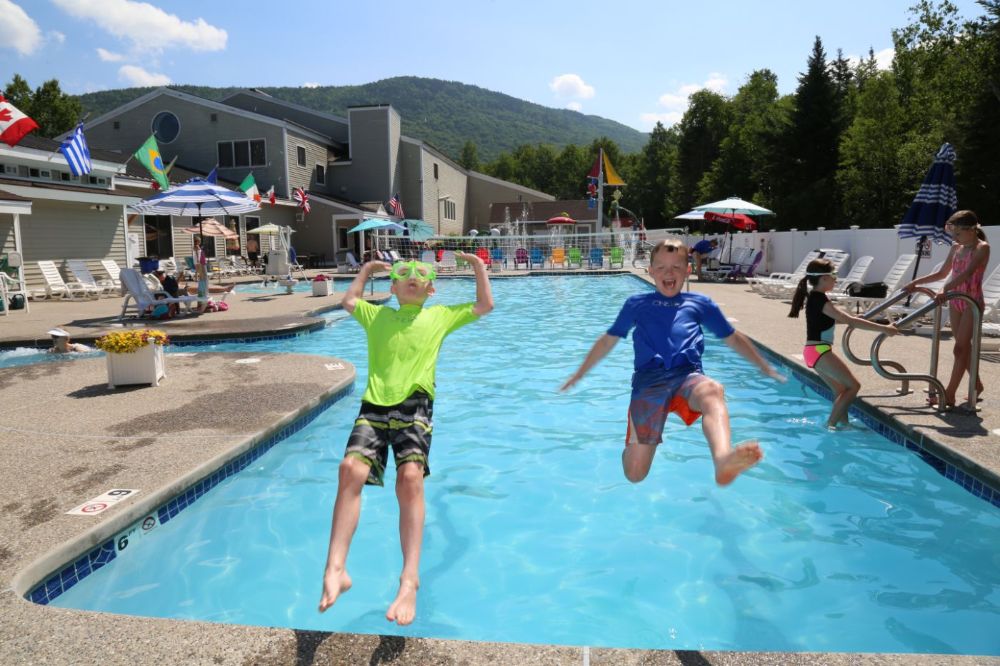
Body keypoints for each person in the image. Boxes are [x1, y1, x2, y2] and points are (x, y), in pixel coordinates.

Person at [318, 252, 494, 625]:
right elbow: (349, 301)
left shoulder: (438, 316)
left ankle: (409, 581)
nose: (413, 276)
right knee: (349, 469)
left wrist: (478, 267)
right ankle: (336, 568)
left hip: (415, 404)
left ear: (431, 289)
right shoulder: (376, 315)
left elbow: (484, 304)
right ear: (393, 286)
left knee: (411, 477)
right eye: (403, 274)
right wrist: (365, 271)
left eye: (421, 274)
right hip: (374, 405)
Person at [561, 239, 785, 487]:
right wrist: (579, 373)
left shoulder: (700, 304)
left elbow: (732, 338)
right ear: (651, 271)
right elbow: (608, 340)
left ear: (687, 270)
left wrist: (763, 365)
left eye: (676, 267)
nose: (669, 273)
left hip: (688, 376)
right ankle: (634, 441)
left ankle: (723, 460)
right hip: (649, 382)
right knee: (635, 473)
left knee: (712, 390)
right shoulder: (637, 304)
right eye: (662, 267)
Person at [788, 258, 899, 429]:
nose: (836, 278)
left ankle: (843, 424)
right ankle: (830, 425)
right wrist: (884, 329)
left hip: (813, 351)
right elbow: (849, 321)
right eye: (833, 274)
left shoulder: (815, 298)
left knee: (841, 390)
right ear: (823, 278)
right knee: (854, 386)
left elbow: (829, 320)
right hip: (820, 351)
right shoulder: (820, 299)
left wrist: (853, 320)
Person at [902, 210, 990, 410]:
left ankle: (949, 395)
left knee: (960, 348)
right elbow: (942, 273)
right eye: (953, 232)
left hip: (971, 302)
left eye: (958, 233)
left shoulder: (982, 248)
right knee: (961, 349)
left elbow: (967, 274)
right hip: (955, 300)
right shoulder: (956, 247)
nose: (954, 236)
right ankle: (976, 384)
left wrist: (945, 288)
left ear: (971, 230)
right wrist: (915, 282)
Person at [192, 236, 209, 313]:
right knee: (204, 282)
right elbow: (197, 258)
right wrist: (198, 266)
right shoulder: (197, 247)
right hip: (201, 265)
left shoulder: (195, 247)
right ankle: (203, 302)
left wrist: (196, 270)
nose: (199, 242)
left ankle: (201, 302)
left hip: (200, 265)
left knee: (202, 282)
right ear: (198, 241)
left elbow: (196, 258)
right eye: (199, 241)